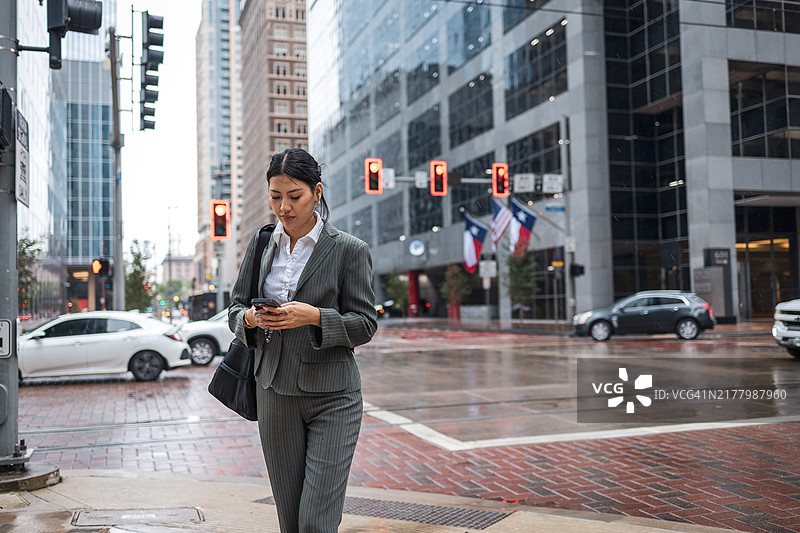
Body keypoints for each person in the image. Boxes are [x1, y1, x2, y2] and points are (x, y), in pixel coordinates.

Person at [228, 148, 378, 533]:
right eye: (275, 197)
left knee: (316, 520)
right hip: (274, 391)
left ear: (316, 192)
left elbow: (364, 324)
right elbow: (234, 310)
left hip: (334, 395)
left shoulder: (349, 250)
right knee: (291, 521)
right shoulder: (261, 246)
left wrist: (312, 316)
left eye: (294, 196)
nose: (284, 207)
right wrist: (249, 317)